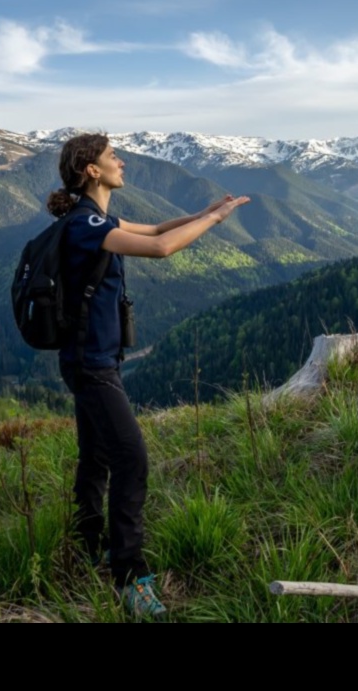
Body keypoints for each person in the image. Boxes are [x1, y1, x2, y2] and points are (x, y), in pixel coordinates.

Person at [48, 132, 250, 618]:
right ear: (91, 170)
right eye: (112, 157)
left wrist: (204, 213)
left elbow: (159, 226)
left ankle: (91, 544)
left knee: (96, 457)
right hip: (92, 364)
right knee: (132, 460)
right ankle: (130, 577)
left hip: (95, 358)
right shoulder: (84, 226)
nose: (122, 163)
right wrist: (218, 220)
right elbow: (160, 249)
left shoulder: (96, 219)